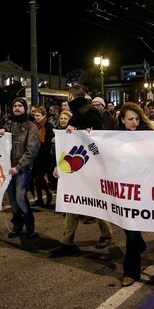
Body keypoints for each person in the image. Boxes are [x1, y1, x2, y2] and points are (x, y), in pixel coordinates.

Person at [49, 84, 113, 257]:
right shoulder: (81, 112)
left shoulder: (87, 111)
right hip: (78, 166)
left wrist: (86, 132)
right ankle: (66, 241)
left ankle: (106, 233)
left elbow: (99, 137)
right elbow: (71, 142)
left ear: (70, 96)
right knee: (73, 202)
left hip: (89, 166)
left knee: (94, 202)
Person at [116, 102, 154, 287]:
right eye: (130, 119)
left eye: (137, 119)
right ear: (122, 120)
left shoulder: (147, 138)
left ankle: (130, 271)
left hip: (140, 188)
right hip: (120, 189)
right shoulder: (111, 137)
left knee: (132, 228)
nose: (134, 122)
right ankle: (139, 245)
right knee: (128, 227)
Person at [0, 97, 40, 239]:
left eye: (20, 106)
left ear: (25, 108)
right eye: (15, 105)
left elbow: (32, 150)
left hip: (23, 169)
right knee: (12, 200)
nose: (17, 108)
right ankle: (17, 226)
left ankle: (29, 227)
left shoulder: (31, 127)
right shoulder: (8, 125)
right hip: (8, 169)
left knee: (20, 197)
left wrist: (19, 166)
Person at [30, 105, 55, 208]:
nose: (36, 117)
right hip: (35, 155)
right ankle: (40, 199)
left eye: (38, 115)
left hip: (44, 156)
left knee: (39, 176)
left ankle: (47, 193)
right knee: (36, 178)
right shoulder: (33, 126)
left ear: (44, 116)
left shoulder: (48, 126)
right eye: (35, 115)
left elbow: (49, 142)